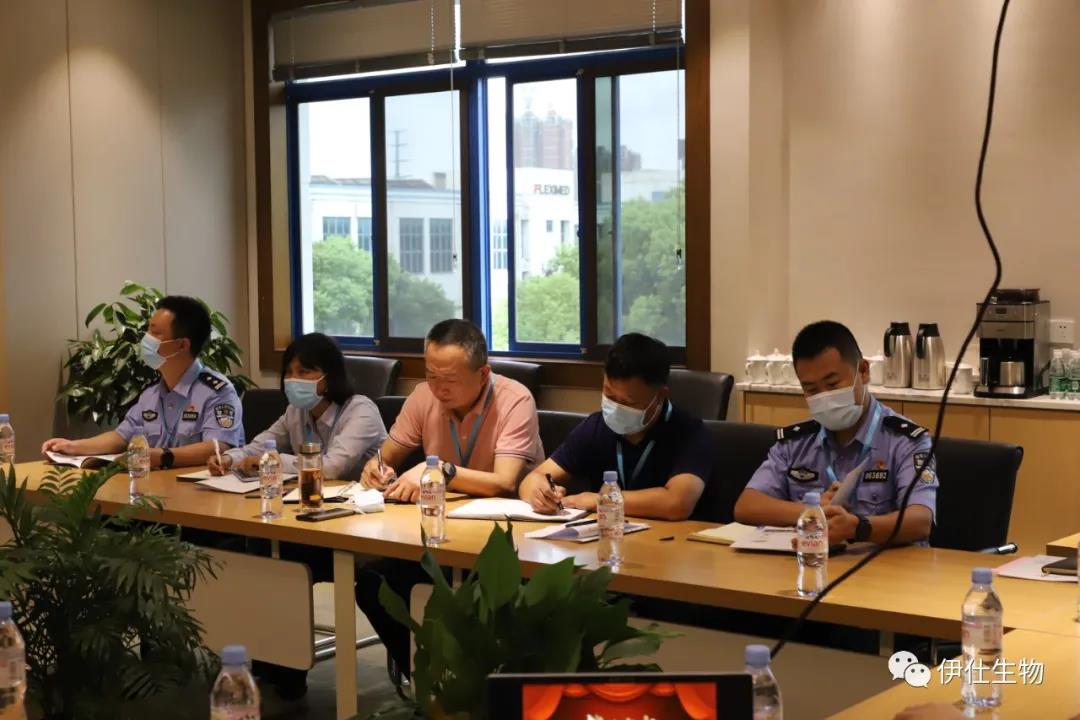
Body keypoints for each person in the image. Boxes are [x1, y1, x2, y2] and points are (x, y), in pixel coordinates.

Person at [357, 319, 542, 685]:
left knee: (484, 599)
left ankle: (479, 691)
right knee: (373, 582)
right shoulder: (423, 397)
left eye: (450, 379)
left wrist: (442, 470)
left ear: (483, 374)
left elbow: (504, 482)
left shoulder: (515, 400)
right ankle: (428, 683)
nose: (438, 388)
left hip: (506, 540)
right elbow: (385, 456)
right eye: (431, 375)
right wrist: (375, 469)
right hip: (442, 533)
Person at [734, 320, 938, 546]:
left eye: (832, 384)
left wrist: (858, 528)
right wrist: (812, 510)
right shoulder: (795, 442)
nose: (824, 397)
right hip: (813, 559)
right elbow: (746, 506)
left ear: (863, 371)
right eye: (811, 389)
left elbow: (920, 520)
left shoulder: (905, 440)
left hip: (886, 565)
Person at [519, 332, 711, 521]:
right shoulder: (596, 427)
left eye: (628, 402)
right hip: (607, 534)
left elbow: (677, 503)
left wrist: (600, 500)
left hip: (672, 537)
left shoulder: (689, 431)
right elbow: (533, 479)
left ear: (660, 395)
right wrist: (539, 492)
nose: (617, 408)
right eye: (609, 396)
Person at [42, 295, 243, 467]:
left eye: (155, 333)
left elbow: (218, 448)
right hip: (156, 489)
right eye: (148, 330)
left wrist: (163, 457)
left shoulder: (218, 392)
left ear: (182, 345)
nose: (146, 338)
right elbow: (121, 437)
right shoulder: (151, 394)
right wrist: (72, 446)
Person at [209, 332, 385, 480]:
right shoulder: (296, 411)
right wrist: (228, 459)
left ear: (330, 377)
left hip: (364, 503)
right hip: (311, 498)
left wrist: (274, 461)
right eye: (288, 372)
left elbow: (332, 467)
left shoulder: (361, 411)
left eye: (304, 372)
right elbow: (260, 447)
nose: (293, 379)